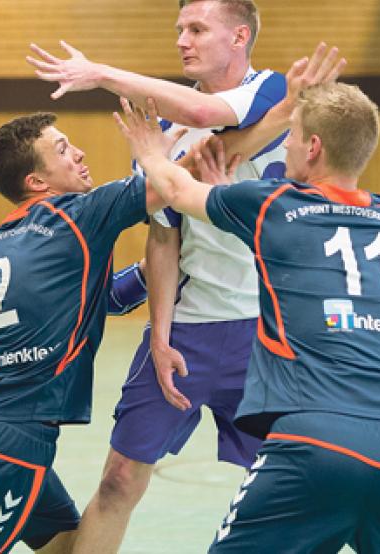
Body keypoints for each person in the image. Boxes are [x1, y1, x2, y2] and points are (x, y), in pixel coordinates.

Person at [116, 73, 380, 552]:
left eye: (290, 137)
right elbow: (309, 245)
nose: (284, 147)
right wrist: (230, 197)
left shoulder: (273, 207)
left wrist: (149, 153)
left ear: (312, 147)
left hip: (314, 442)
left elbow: (177, 192)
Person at [27, 2, 307, 551]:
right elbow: (163, 236)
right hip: (188, 333)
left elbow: (209, 117)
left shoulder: (272, 92)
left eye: (197, 29)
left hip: (266, 335)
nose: (183, 39)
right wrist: (159, 336)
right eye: (179, 28)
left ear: (239, 36)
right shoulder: (160, 132)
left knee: (298, 485)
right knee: (118, 481)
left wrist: (101, 74)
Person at [0, 112, 176, 554]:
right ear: (37, 180)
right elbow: (170, 187)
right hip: (10, 447)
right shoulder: (77, 215)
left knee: (71, 545)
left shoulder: (5, 236)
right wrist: (157, 151)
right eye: (61, 149)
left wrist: (160, 273)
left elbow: (93, 301)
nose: (78, 153)